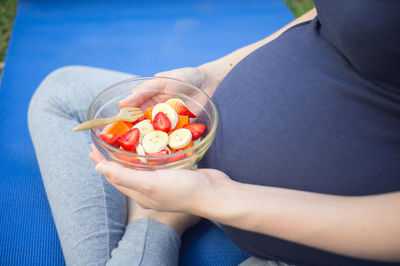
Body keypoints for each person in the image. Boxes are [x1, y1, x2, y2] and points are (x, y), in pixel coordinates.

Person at [28, 1, 400, 265]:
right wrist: (211, 74)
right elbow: (334, 16)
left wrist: (217, 198)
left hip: (320, 237)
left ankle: (156, 222)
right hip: (199, 139)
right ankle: (164, 217)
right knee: (62, 91)